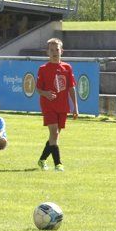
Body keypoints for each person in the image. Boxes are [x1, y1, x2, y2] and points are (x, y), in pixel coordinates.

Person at [36, 38, 78, 171]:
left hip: (62, 106)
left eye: (57, 50)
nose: (54, 52)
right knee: (54, 133)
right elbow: (38, 89)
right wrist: (46, 93)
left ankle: (42, 160)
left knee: (54, 136)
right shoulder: (43, 69)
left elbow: (71, 88)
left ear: (62, 51)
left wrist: (75, 107)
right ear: (47, 52)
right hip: (48, 106)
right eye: (52, 50)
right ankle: (58, 164)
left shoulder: (67, 68)